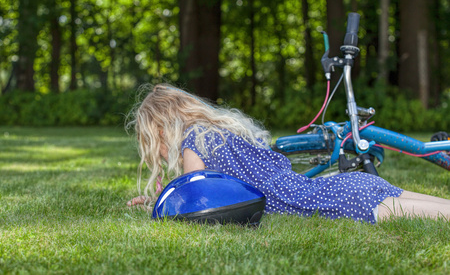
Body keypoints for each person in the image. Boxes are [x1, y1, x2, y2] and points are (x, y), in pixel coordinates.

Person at [126, 83, 450, 223]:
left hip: (320, 202)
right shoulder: (224, 132)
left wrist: (160, 204)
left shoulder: (193, 143)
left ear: (161, 130)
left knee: (412, 214)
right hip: (337, 186)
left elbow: (197, 197)